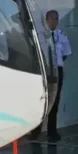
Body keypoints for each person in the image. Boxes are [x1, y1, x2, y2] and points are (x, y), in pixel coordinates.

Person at [29, 9, 72, 141]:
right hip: (44, 71)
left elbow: (66, 53)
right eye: (51, 19)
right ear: (46, 20)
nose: (54, 21)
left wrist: (56, 64)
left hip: (56, 71)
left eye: (56, 19)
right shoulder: (40, 36)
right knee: (41, 100)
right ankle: (35, 132)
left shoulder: (61, 35)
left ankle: (52, 132)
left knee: (55, 101)